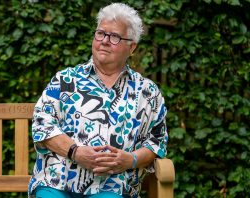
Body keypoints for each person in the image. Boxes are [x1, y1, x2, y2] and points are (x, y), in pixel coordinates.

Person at [28, 2, 168, 198]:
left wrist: (131, 160)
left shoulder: (147, 92)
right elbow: (42, 124)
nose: (104, 41)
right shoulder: (65, 80)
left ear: (132, 47)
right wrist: (75, 152)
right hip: (57, 181)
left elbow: (157, 142)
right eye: (101, 33)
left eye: (115, 37)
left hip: (113, 185)